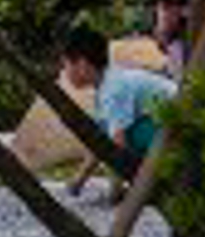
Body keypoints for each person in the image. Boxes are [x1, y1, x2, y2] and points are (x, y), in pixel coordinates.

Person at [60, 26, 179, 171]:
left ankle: (157, 175)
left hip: (176, 127)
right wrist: (78, 182)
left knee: (127, 138)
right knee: (109, 136)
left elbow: (118, 147)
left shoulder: (113, 91)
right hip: (167, 122)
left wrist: (116, 190)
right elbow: (100, 141)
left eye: (65, 65)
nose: (64, 72)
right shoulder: (107, 85)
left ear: (82, 64)